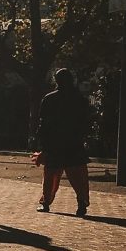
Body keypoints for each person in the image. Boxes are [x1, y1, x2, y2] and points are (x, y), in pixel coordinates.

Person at [35, 68, 91, 217]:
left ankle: (46, 202)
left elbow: (44, 123)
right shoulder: (80, 99)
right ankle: (82, 203)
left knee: (51, 176)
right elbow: (85, 122)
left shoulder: (49, 99)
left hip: (55, 143)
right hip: (74, 143)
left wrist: (42, 145)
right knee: (79, 177)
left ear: (56, 81)